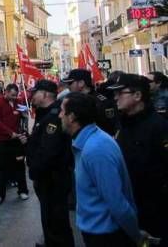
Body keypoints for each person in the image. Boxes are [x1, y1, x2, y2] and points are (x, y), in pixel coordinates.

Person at [59, 92, 147, 247]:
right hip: (98, 232)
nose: (59, 116)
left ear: (72, 117)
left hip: (107, 236)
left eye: (62, 111)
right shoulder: (88, 142)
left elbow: (117, 203)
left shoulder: (96, 149)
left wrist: (136, 236)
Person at [109, 74, 168, 246]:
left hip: (154, 208)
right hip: (129, 205)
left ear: (137, 96)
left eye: (121, 93)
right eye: (115, 93)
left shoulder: (158, 126)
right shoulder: (123, 123)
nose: (116, 97)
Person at [26, 80, 74, 247]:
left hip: (53, 180)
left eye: (35, 92)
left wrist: (34, 170)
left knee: (56, 222)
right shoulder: (44, 114)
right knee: (49, 220)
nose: (32, 96)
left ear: (45, 94)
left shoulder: (53, 116)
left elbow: (49, 152)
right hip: (47, 180)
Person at [0, 84, 28, 204]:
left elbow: (24, 112)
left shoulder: (18, 101)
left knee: (19, 165)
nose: (13, 97)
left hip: (16, 140)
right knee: (1, 167)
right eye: (11, 95)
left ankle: (23, 190)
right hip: (2, 141)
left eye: (15, 95)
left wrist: (25, 112)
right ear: (5, 92)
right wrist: (9, 133)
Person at [62, 69, 117, 135]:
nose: (68, 86)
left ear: (81, 83)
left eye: (70, 83)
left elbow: (110, 127)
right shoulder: (72, 101)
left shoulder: (100, 102)